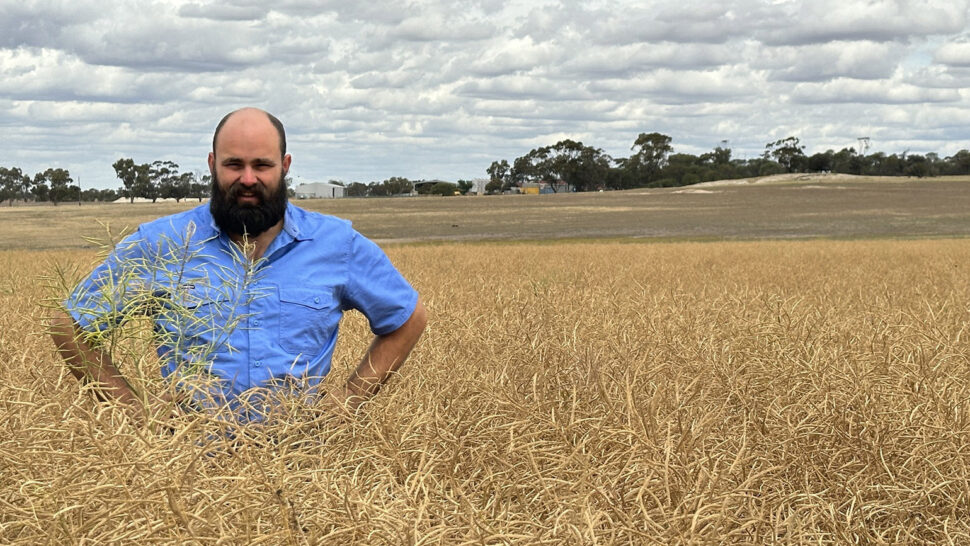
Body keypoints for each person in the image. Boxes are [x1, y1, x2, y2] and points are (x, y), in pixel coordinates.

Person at [50, 107, 427, 422]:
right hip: (184, 471)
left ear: (285, 165)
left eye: (262, 165)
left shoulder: (336, 244)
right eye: (234, 165)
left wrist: (345, 403)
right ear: (213, 165)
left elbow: (408, 318)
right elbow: (71, 323)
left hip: (300, 466)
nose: (248, 179)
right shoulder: (160, 244)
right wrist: (135, 412)